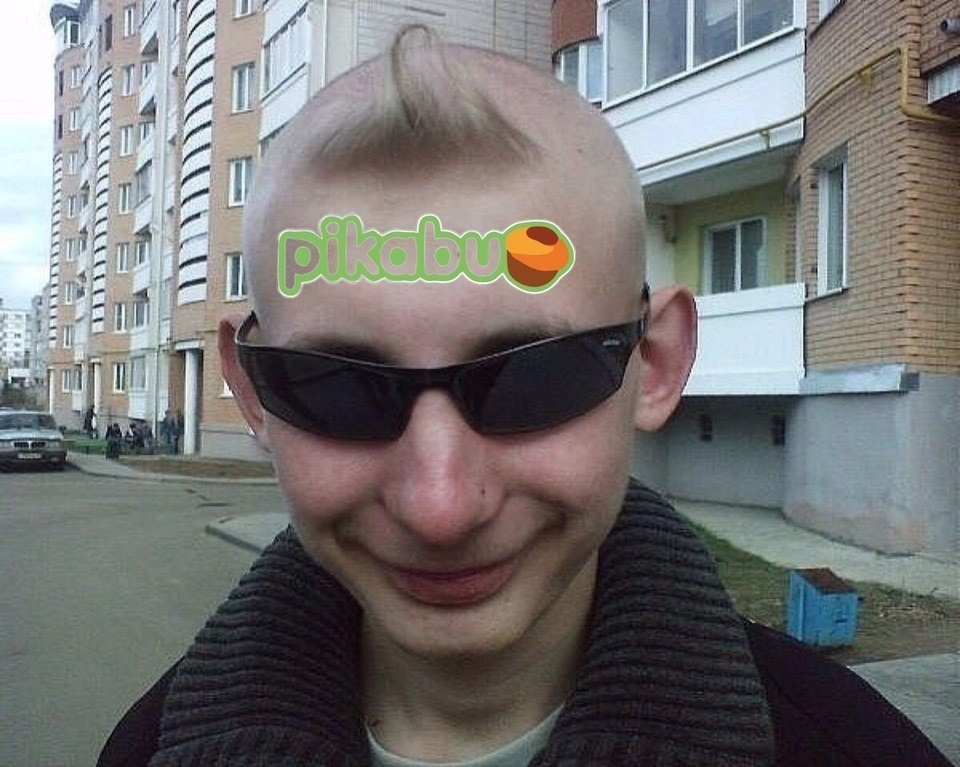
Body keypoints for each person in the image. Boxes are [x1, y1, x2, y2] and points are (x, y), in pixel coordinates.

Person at [97, 27, 951, 767]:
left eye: (531, 377)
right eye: (339, 388)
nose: (439, 508)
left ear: (654, 363)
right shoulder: (148, 749)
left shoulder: (857, 749)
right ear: (252, 389)